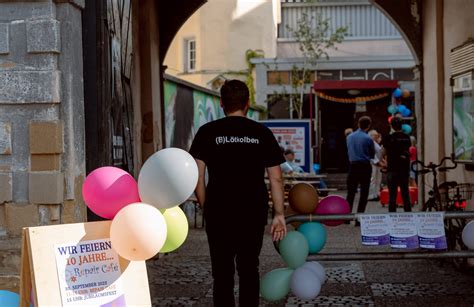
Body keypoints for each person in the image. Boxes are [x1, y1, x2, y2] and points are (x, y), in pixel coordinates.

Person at [189, 80, 287, 307]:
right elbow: (276, 177)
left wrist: (206, 205)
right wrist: (279, 214)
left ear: (221, 102)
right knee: (249, 269)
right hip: (252, 211)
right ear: (248, 103)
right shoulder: (261, 133)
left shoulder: (207, 132)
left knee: (221, 273)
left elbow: (197, 174)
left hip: (218, 211)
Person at [346, 116, 375, 224]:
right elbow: (372, 154)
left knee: (351, 192)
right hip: (364, 166)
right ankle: (359, 218)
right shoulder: (368, 138)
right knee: (364, 193)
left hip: (353, 166)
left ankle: (347, 217)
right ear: (368, 126)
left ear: (358, 124)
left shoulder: (349, 137)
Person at [381, 117, 412, 212]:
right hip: (404, 169)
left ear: (391, 126)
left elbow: (383, 152)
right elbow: (408, 150)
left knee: (392, 195)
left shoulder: (388, 137)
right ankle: (408, 214)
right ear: (401, 125)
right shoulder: (407, 137)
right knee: (405, 193)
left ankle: (392, 216)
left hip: (392, 168)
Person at [368, 129, 385, 200]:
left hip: (378, 164)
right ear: (371, 136)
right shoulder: (370, 143)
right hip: (373, 164)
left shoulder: (375, 143)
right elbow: (372, 154)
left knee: (378, 180)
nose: (377, 136)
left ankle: (377, 194)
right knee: (373, 180)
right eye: (376, 135)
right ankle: (371, 195)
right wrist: (379, 162)